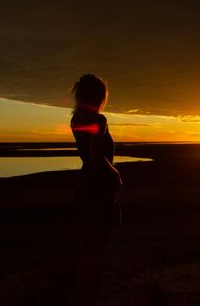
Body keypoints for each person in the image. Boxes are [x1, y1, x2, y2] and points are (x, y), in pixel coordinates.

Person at [70, 74, 122, 305]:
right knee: (96, 252)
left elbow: (89, 156)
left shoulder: (76, 120)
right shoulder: (99, 121)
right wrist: (115, 173)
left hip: (84, 187)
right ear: (98, 96)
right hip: (99, 188)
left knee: (86, 250)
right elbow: (95, 157)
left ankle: (84, 297)